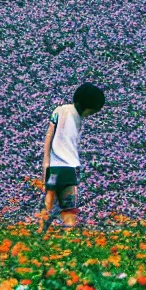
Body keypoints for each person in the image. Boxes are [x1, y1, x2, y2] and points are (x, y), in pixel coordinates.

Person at [38, 82, 105, 233]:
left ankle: (40, 234)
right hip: (69, 169)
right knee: (69, 208)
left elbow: (49, 137)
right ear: (86, 106)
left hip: (54, 170)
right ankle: (68, 239)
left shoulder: (59, 110)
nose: (91, 115)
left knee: (48, 203)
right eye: (92, 112)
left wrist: (45, 165)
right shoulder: (77, 119)